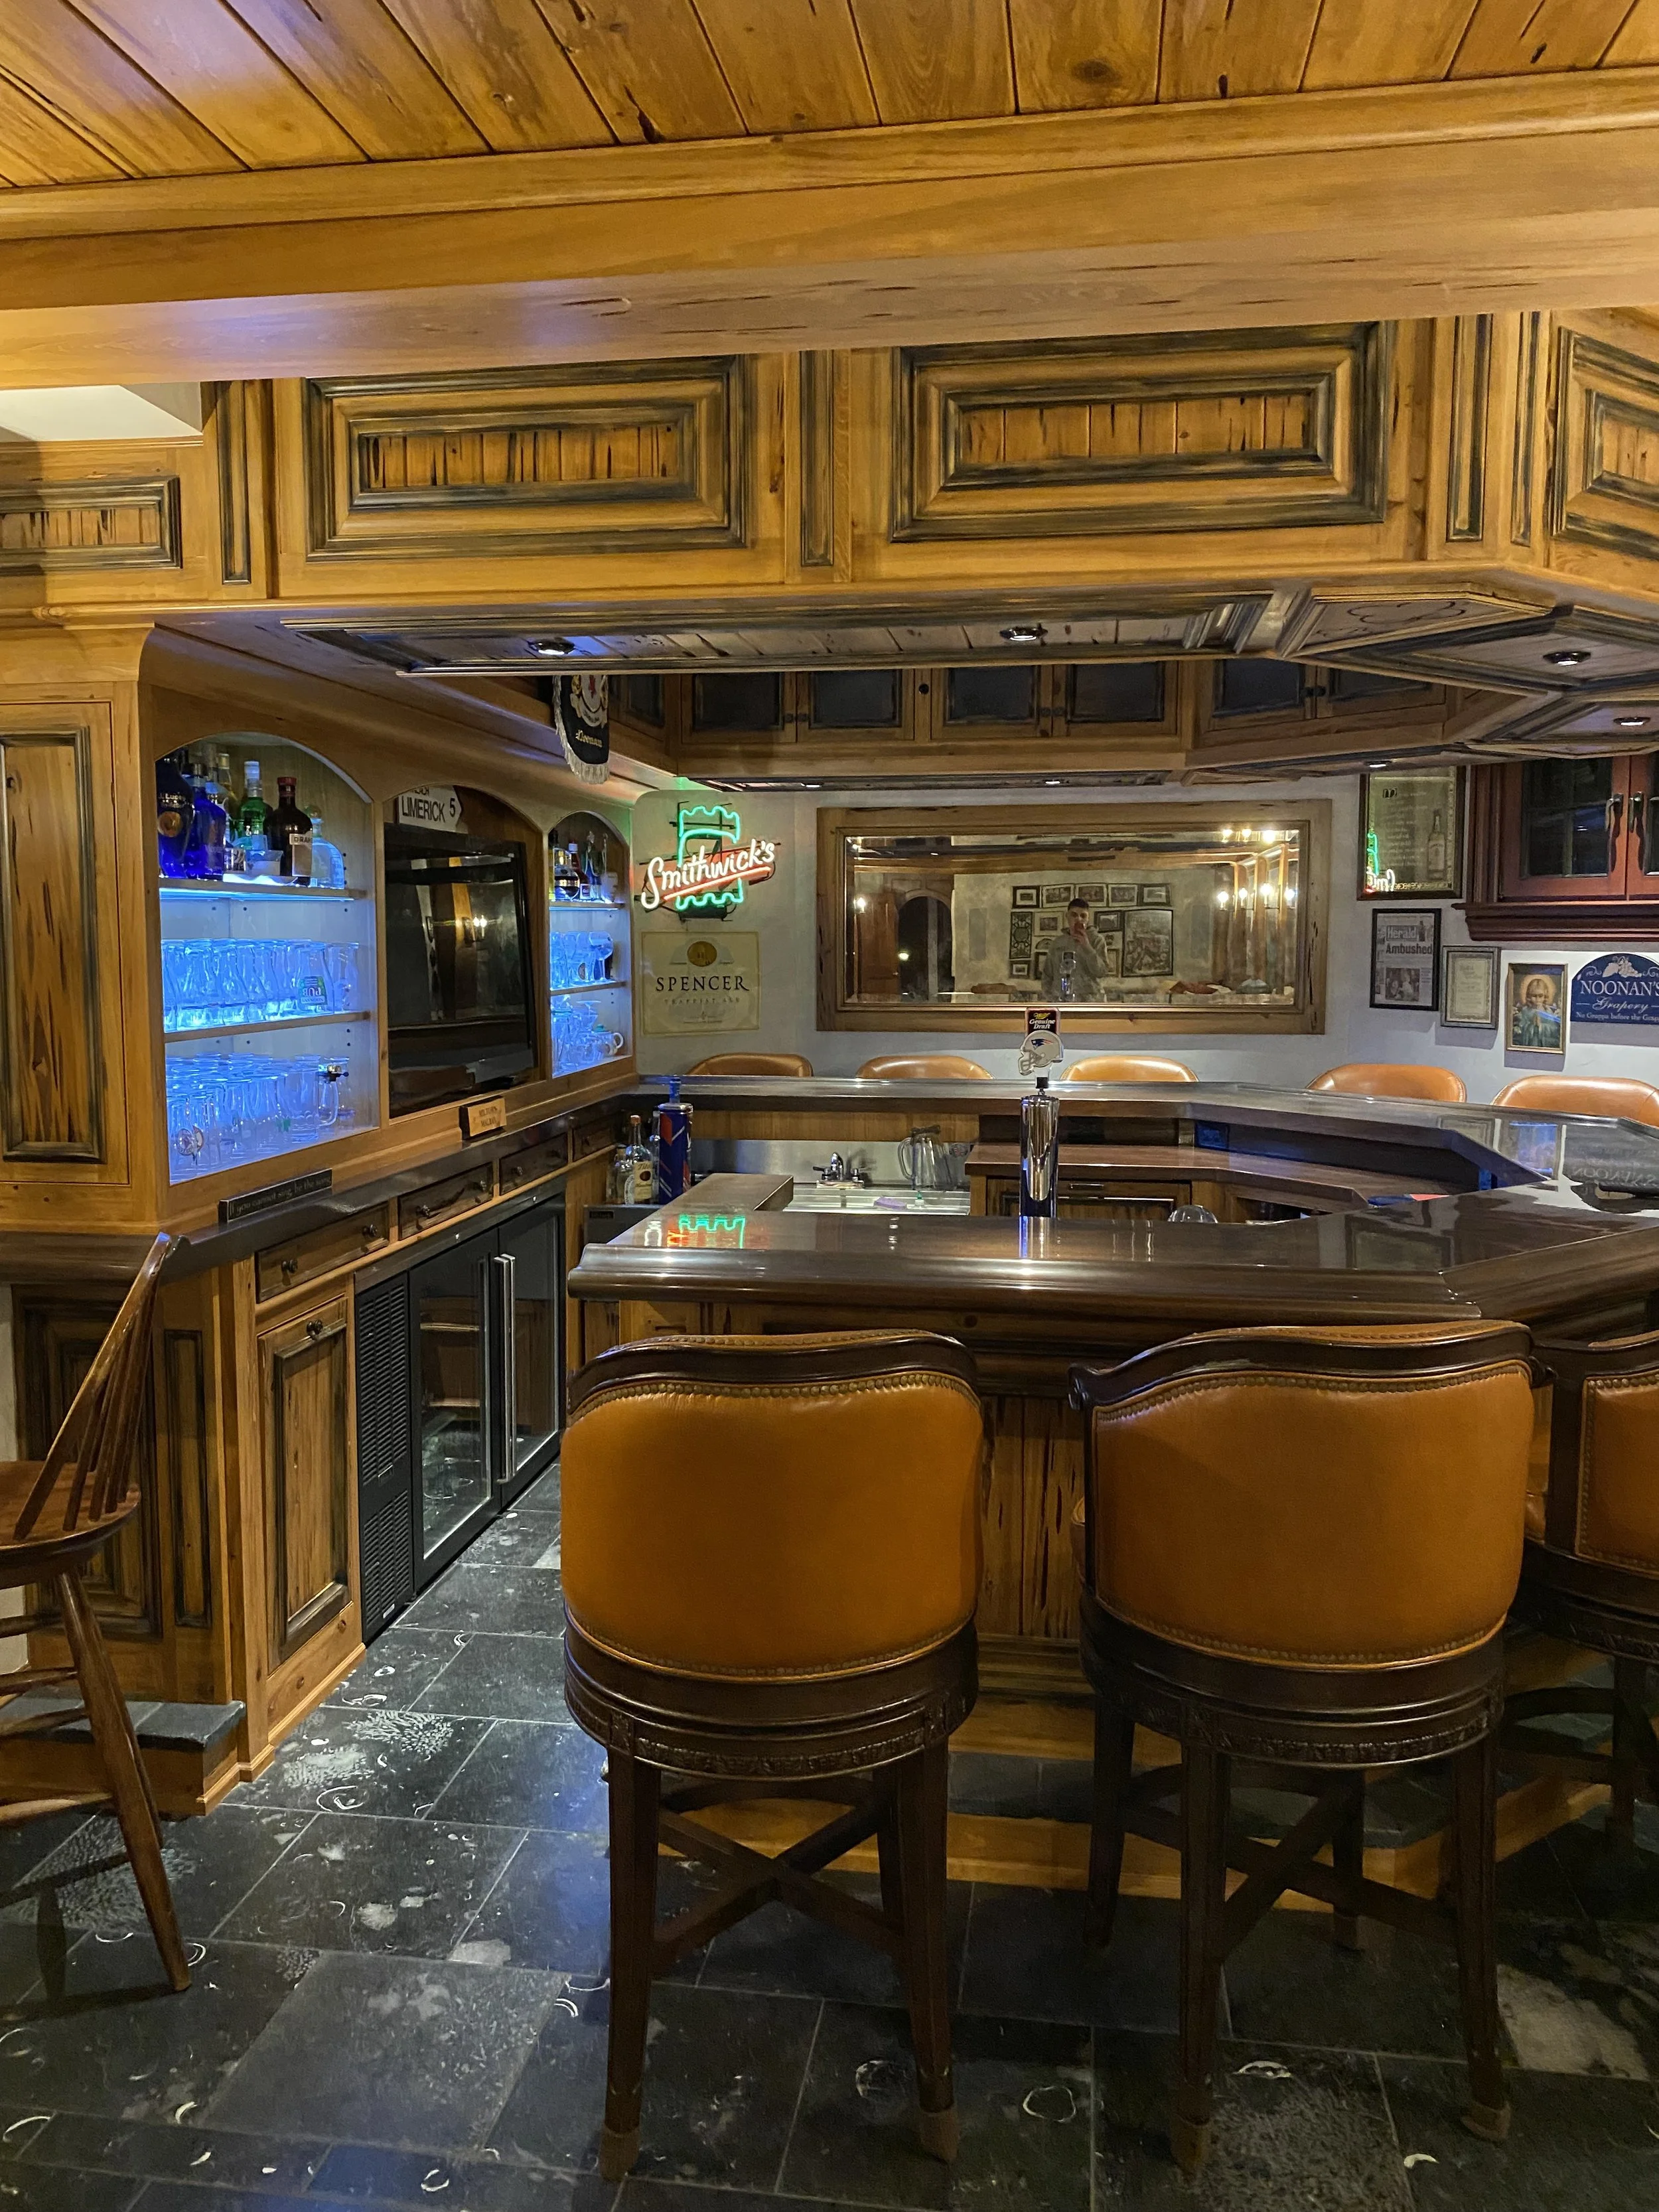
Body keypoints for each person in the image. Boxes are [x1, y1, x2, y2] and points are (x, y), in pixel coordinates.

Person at [1037, 898, 1115, 1001]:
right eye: (1074, 915)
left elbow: (1101, 972)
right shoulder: (1057, 943)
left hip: (1091, 1002)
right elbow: (1047, 975)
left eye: (1083, 916)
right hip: (1061, 1001)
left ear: (1088, 919)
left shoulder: (1097, 940)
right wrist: (1051, 998)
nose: (1078, 919)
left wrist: (1087, 947)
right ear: (1067, 917)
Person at [1513, 971, 1562, 1051]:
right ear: (1529, 996)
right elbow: (1520, 1029)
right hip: (1529, 1044)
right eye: (1534, 996)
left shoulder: (1548, 1011)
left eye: (1540, 996)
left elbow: (1554, 1030)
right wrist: (1531, 1026)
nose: (1537, 999)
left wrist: (1540, 1026)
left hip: (1544, 1044)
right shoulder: (1525, 1011)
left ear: (1545, 996)